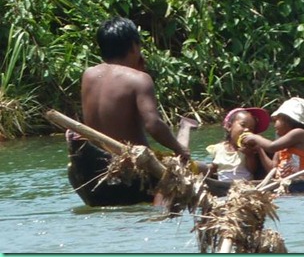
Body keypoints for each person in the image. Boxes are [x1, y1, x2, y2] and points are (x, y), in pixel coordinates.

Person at [67, 16, 190, 206]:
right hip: (132, 175)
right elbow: (153, 124)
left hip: (96, 175)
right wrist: (180, 149)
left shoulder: (88, 75)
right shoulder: (139, 79)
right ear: (134, 46)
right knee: (202, 171)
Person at [240, 97, 304, 178]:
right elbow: (272, 170)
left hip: (303, 184)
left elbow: (271, 146)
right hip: (283, 185)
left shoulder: (300, 134)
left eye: (276, 119)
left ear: (287, 120)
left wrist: (255, 137)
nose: (274, 125)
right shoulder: (281, 145)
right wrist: (259, 149)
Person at [199, 107, 270, 181]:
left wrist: (249, 156)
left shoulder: (248, 149)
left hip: (244, 186)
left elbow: (252, 170)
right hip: (223, 186)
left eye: (251, 129)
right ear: (229, 127)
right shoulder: (218, 148)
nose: (247, 130)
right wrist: (201, 169)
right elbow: (214, 167)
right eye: (243, 125)